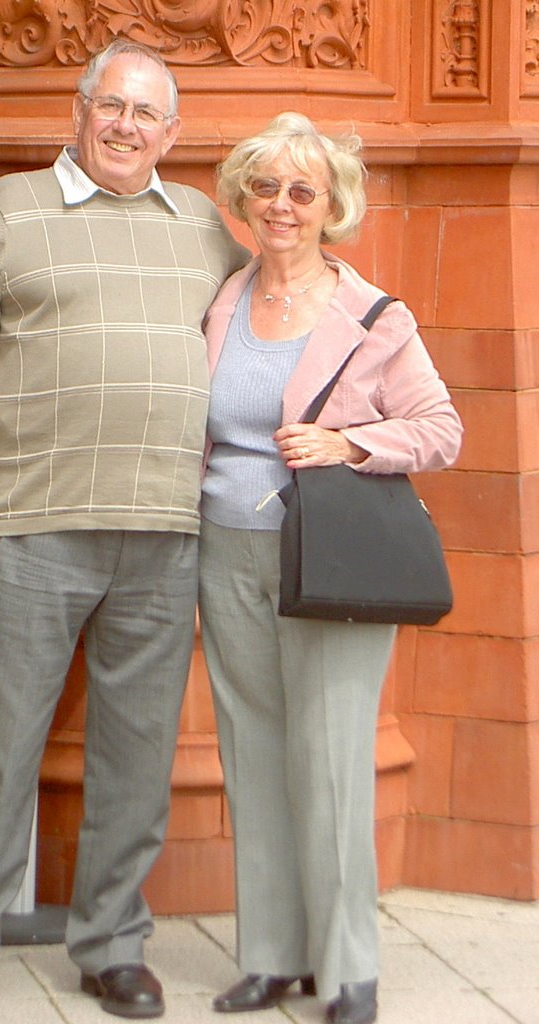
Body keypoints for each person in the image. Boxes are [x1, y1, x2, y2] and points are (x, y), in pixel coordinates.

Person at [0, 39, 249, 1024]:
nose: (126, 127)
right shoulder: (7, 212)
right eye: (112, 106)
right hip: (33, 525)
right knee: (1, 750)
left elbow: (278, 314)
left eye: (147, 115)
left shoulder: (200, 225)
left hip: (166, 529)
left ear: (171, 134)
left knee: (136, 757)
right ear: (79, 108)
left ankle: (110, 946)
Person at [198, 113, 462, 1024]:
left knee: (333, 758)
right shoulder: (224, 301)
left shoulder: (373, 315)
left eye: (302, 191)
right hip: (224, 551)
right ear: (241, 199)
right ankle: (272, 955)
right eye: (265, 188)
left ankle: (349, 968)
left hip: (329, 562)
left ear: (330, 207)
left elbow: (440, 429)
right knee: (254, 754)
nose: (281, 205)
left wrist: (348, 441)